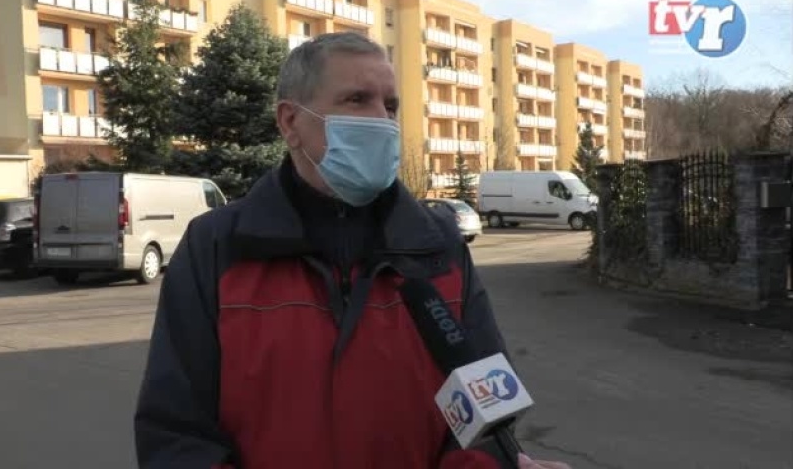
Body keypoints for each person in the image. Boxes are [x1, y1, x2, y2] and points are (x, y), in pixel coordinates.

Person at [133, 32, 571, 469]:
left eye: (390, 106)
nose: (382, 120)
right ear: (290, 122)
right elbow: (178, 434)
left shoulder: (439, 246)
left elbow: (485, 419)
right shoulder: (216, 247)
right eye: (357, 100)